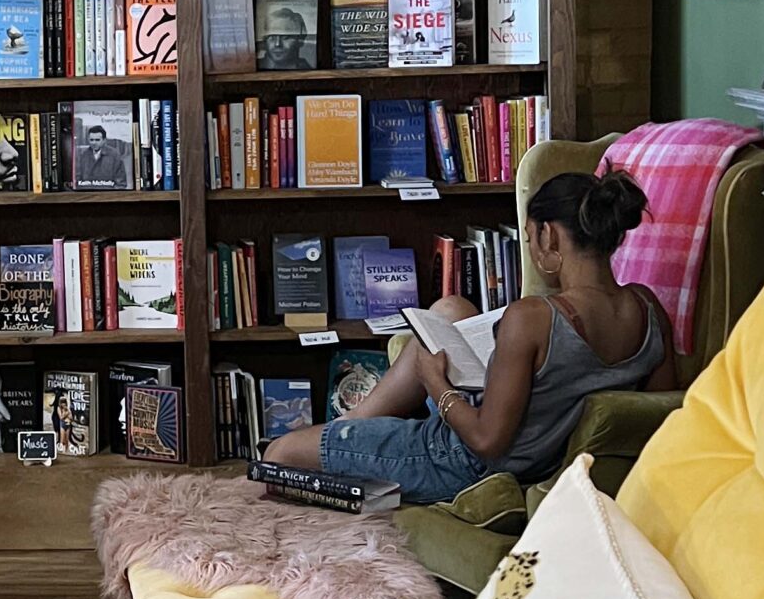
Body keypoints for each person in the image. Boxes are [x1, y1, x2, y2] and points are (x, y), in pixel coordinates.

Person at [259, 170, 674, 506]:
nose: (532, 248)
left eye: (529, 238)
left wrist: (436, 383)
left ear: (549, 236)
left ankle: (356, 444)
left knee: (279, 456)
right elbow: (651, 415)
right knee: (450, 310)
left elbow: (486, 442)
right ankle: (354, 429)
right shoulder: (648, 308)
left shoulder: (533, 317)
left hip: (462, 461)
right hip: (541, 450)